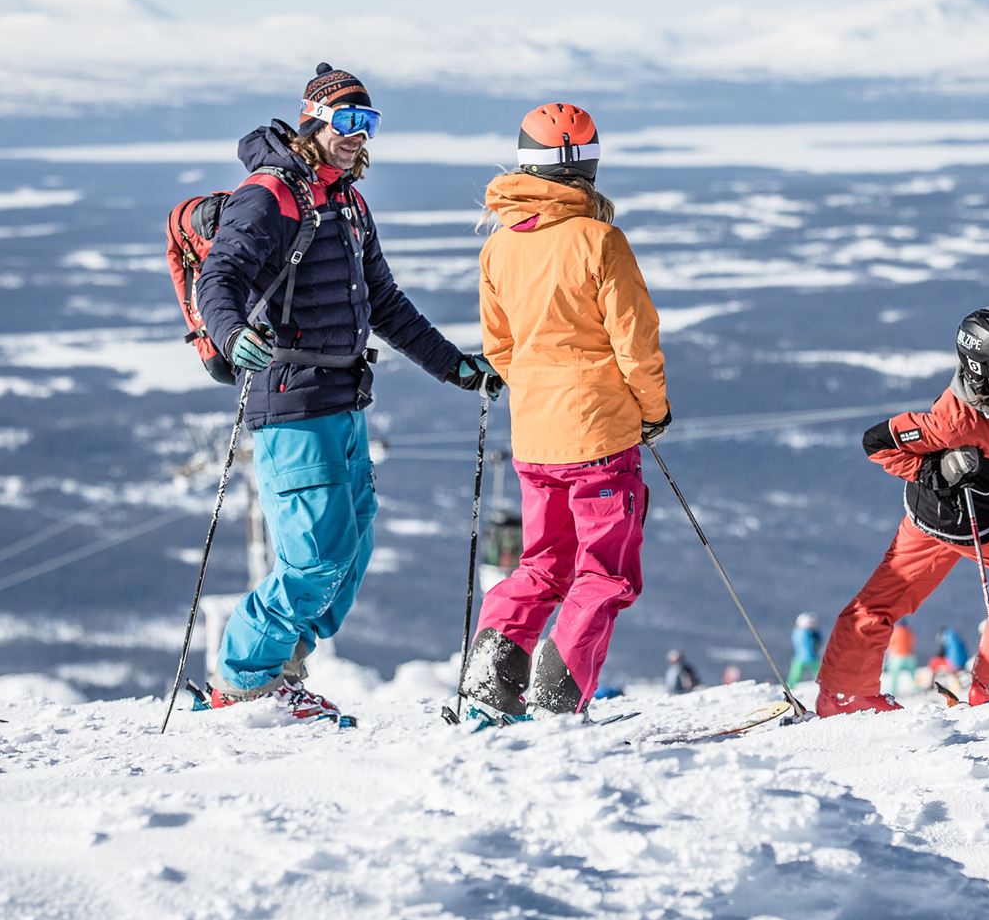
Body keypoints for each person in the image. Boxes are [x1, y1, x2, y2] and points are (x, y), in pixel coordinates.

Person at [195, 64, 499, 718]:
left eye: (370, 123)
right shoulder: (269, 196)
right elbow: (218, 278)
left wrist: (454, 367)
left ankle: (280, 670)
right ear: (314, 122)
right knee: (316, 557)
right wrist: (229, 334)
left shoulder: (349, 204)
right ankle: (243, 681)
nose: (359, 135)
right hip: (291, 400)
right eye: (348, 121)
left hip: (344, 398)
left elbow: (385, 303)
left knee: (352, 548)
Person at [458, 104, 670, 720]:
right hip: (600, 437)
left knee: (544, 563)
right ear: (590, 167)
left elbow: (500, 348)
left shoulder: (499, 247)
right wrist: (651, 410)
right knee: (605, 572)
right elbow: (636, 342)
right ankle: (558, 694)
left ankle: (491, 676)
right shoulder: (600, 241)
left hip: (535, 438)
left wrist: (537, 394)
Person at [815, 307, 989, 715]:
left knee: (883, 599)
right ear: (979, 372)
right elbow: (878, 443)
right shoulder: (954, 420)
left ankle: (844, 692)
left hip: (931, 517)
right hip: (961, 516)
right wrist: (936, 470)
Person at [885, 618, 920, 697]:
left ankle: (892, 692)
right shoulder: (910, 632)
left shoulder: (895, 632)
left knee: (893, 676)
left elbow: (890, 644)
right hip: (910, 657)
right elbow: (913, 643)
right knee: (914, 675)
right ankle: (918, 689)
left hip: (897, 657)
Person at [789, 612, 825, 688]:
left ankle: (790, 687)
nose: (814, 625)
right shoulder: (805, 633)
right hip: (810, 656)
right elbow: (813, 643)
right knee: (819, 674)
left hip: (799, 657)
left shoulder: (797, 632)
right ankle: (824, 685)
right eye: (811, 623)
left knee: (795, 675)